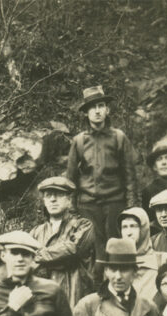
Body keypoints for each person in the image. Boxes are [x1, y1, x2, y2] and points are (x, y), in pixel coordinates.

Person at [66, 85, 139, 264]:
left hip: (115, 202)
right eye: (92, 107)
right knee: (91, 251)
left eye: (100, 106)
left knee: (116, 248)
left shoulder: (119, 137)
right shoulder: (79, 141)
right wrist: (72, 212)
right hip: (88, 205)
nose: (97, 111)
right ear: (86, 113)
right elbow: (70, 179)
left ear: (107, 109)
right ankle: (95, 288)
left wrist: (131, 207)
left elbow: (130, 175)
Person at [29, 176, 95, 305]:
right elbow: (26, 260)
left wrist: (38, 257)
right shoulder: (36, 232)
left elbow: (72, 250)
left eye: (58, 195)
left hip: (74, 297)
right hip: (43, 299)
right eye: (48, 196)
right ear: (44, 201)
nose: (53, 199)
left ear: (69, 200)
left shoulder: (84, 225)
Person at [118, 207, 167, 302]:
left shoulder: (164, 260)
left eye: (133, 226)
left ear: (144, 229)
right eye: (124, 227)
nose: (128, 233)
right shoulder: (115, 263)